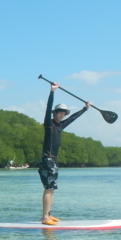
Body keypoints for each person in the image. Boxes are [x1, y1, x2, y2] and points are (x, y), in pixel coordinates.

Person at [39, 82, 90, 225]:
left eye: (63, 113)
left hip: (54, 161)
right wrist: (52, 92)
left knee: (52, 189)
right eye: (59, 112)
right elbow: (48, 108)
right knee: (48, 189)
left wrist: (84, 109)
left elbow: (73, 118)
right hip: (47, 159)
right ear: (54, 113)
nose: (61, 115)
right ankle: (44, 218)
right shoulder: (49, 124)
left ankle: (48, 214)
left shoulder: (61, 125)